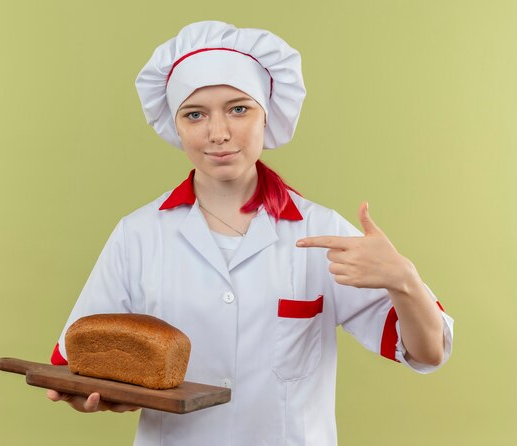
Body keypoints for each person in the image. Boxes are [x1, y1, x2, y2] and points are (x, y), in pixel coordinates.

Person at [46, 21, 454, 445]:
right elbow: (75, 361)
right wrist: (108, 394)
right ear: (177, 126)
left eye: (239, 109)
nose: (218, 133)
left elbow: (429, 352)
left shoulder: (321, 231)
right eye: (194, 114)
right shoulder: (138, 235)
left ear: (267, 115)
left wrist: (404, 280)